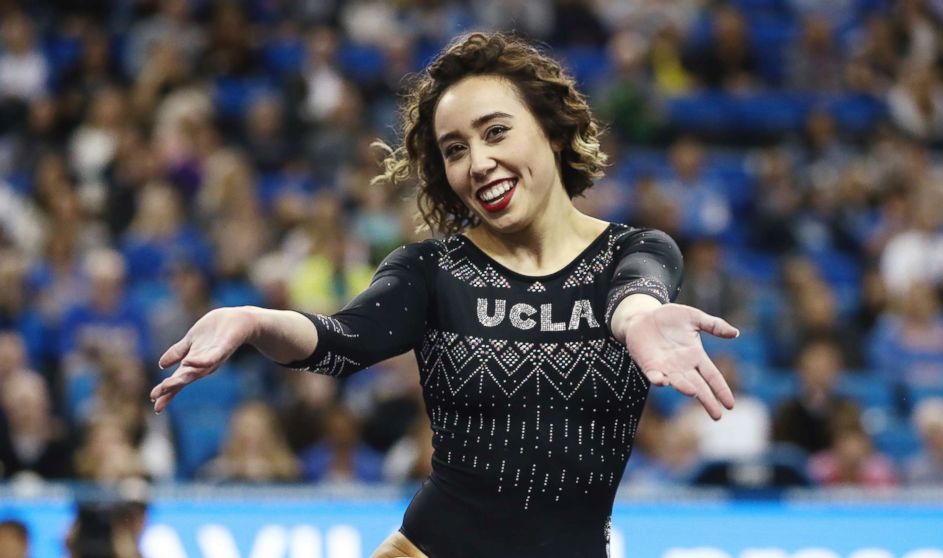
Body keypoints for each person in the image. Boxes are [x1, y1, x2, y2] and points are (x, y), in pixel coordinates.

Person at [150, 32, 739, 558]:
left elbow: (635, 294)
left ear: (553, 132)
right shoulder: (432, 269)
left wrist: (638, 320)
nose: (478, 163)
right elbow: (340, 341)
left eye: (496, 132)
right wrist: (253, 319)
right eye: (455, 149)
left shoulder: (634, 251)